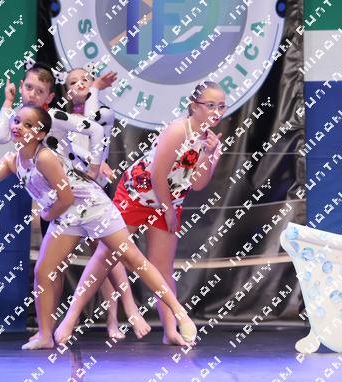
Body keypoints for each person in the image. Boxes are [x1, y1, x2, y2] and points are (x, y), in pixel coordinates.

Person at [0, 105, 197, 349]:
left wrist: (46, 214)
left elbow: (66, 197)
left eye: (28, 125)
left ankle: (179, 312)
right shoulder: (12, 161)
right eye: (16, 121)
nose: (18, 127)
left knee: (133, 259)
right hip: (66, 215)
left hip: (91, 207)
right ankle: (45, 336)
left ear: (40, 134)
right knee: (43, 271)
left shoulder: (44, 157)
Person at [53, 81, 225, 346]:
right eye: (210, 105)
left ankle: (170, 331)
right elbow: (157, 174)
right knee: (106, 255)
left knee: (163, 266)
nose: (216, 112)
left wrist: (210, 155)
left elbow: (199, 183)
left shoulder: (212, 141)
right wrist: (167, 210)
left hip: (169, 200)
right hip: (138, 194)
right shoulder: (178, 130)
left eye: (221, 106)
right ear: (194, 106)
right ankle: (71, 317)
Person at [64, 67, 152, 340]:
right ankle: (112, 316)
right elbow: (67, 149)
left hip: (94, 190)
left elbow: (96, 135)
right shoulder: (61, 118)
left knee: (109, 252)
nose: (80, 84)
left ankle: (126, 310)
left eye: (85, 80)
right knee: (98, 257)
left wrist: (99, 162)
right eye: (73, 82)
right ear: (66, 91)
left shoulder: (102, 112)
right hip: (70, 191)